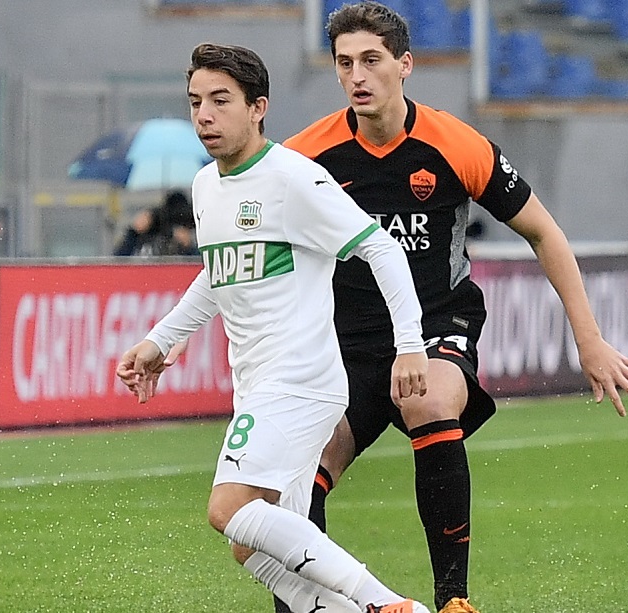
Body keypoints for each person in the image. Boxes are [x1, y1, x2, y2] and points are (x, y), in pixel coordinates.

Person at [280, 3, 628, 613]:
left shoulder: (453, 144)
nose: (357, 77)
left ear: (405, 65)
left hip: (435, 328)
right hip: (344, 343)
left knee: (425, 397)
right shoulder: (306, 158)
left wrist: (590, 341)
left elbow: (544, 232)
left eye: (371, 61)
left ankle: (454, 600)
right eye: (345, 63)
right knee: (304, 472)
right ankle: (307, 604)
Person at [117, 42, 434, 613]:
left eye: (220, 101)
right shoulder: (206, 187)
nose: (204, 117)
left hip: (300, 380)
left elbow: (383, 249)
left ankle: (387, 603)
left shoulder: (294, 179)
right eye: (195, 103)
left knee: (228, 508)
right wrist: (161, 340)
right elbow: (218, 277)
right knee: (251, 542)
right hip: (259, 385)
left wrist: (410, 345)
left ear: (258, 107)